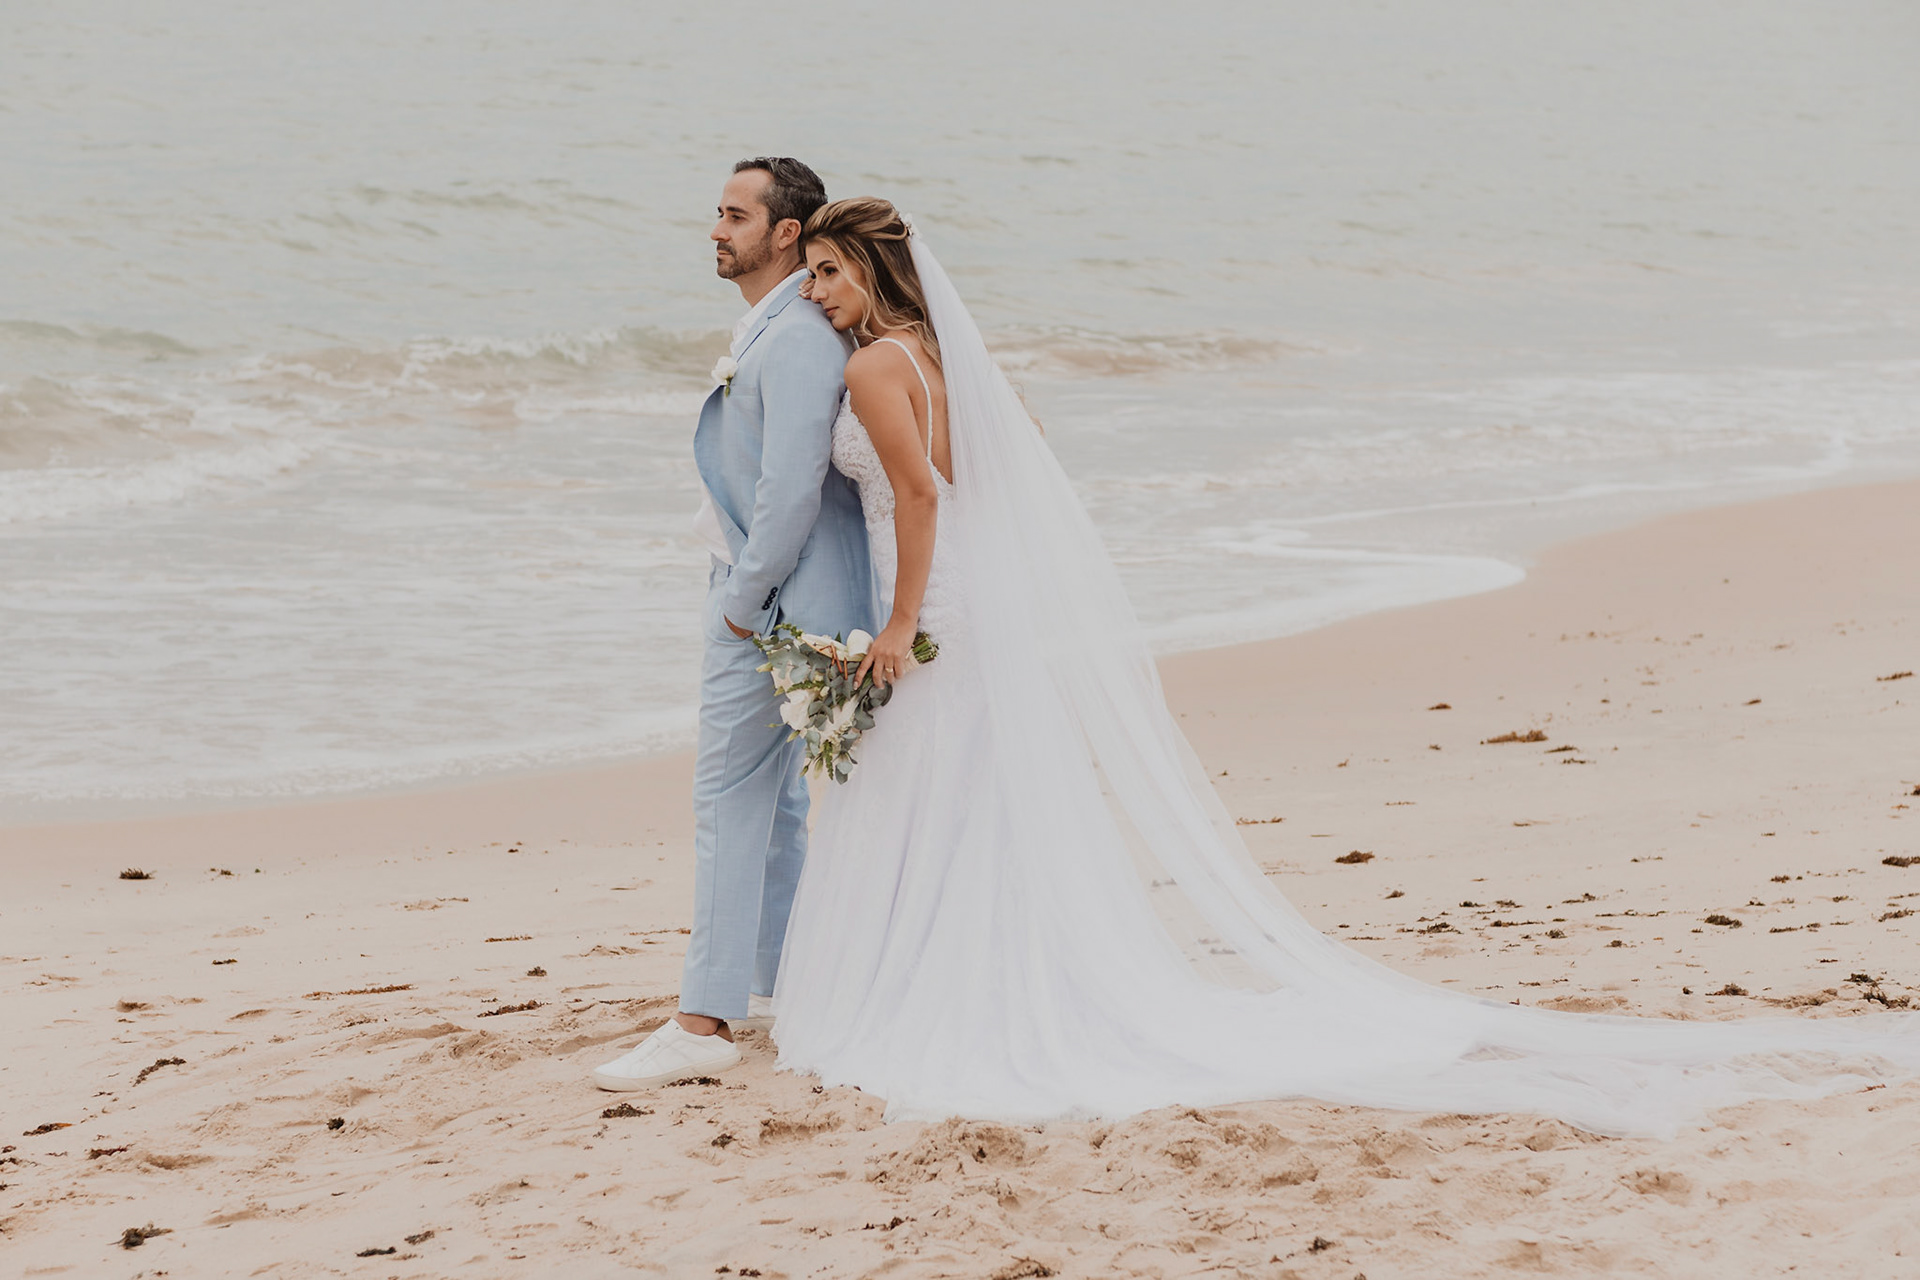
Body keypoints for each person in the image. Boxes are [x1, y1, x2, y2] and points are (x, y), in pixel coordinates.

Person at [765, 195, 1920, 1137]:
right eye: (806, 274)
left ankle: (939, 992)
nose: (812, 293)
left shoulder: (876, 370)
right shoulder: (942, 357)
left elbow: (916, 492)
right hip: (985, 599)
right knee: (979, 788)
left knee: (931, 782)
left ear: (870, 270)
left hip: (933, 605)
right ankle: (987, 970)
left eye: (824, 272)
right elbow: (1019, 467)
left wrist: (900, 622)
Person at [592, 159, 875, 1091]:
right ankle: (782, 982)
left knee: (728, 800)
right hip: (787, 596)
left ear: (786, 233)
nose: (716, 229)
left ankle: (702, 1020)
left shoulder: (795, 336)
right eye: (716, 211)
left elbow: (792, 489)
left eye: (735, 214)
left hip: (771, 603)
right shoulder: (780, 323)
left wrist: (742, 603)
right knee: (778, 804)